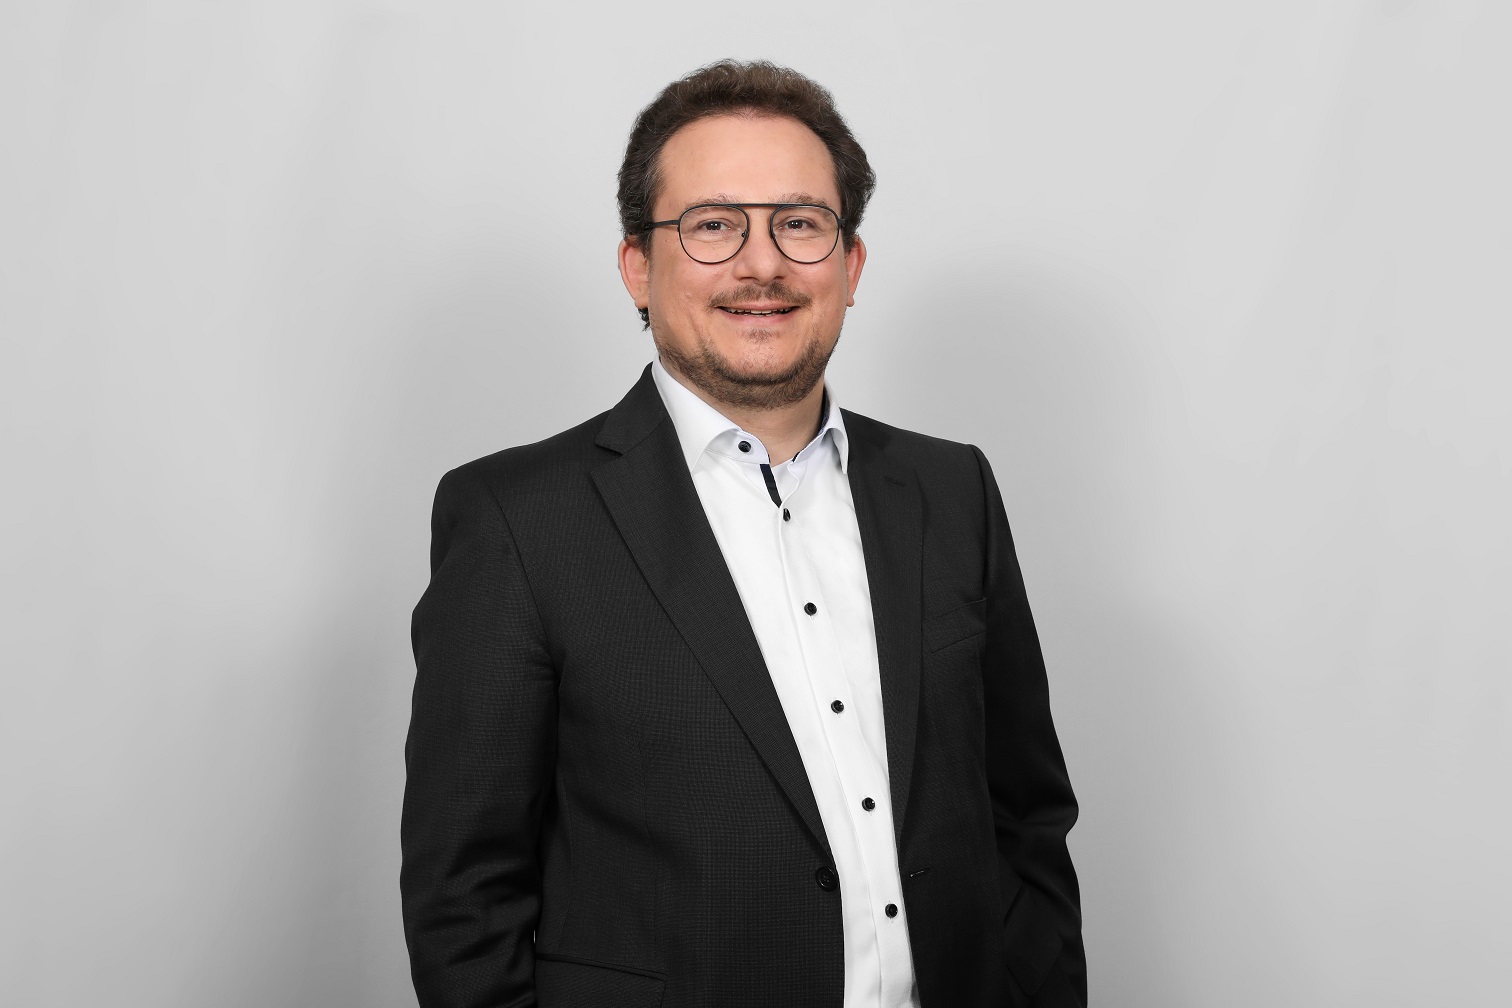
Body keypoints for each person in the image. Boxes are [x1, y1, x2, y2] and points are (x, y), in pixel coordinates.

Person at [401, 60, 1085, 1008]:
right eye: (714, 224)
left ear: (850, 265)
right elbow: (464, 899)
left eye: (799, 223)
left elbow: (1025, 816)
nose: (763, 265)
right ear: (638, 266)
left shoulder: (950, 490)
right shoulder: (518, 520)